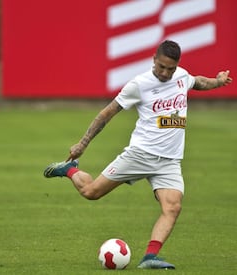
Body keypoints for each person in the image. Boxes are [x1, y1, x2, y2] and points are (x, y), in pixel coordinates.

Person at [44, 40, 232, 269]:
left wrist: (218, 82)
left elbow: (197, 82)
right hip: (140, 154)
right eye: (161, 66)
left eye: (170, 69)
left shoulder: (181, 76)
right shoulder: (139, 84)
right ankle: (69, 170)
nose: (165, 73)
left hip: (170, 160)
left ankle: (150, 257)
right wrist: (83, 143)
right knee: (91, 192)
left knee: (172, 207)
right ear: (154, 59)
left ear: (177, 66)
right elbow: (106, 114)